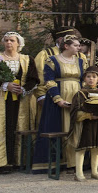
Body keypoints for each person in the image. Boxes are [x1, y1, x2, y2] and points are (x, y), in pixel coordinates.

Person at [32, 35, 86, 173]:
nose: (78, 47)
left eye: (79, 45)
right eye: (75, 45)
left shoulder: (80, 61)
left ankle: (74, 163)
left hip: (76, 96)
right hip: (59, 97)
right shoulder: (52, 60)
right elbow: (49, 81)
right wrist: (58, 99)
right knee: (59, 126)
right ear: (66, 46)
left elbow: (83, 80)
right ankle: (59, 162)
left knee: (76, 128)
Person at [0, 32, 39, 172]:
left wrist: (24, 89)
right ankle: (0, 162)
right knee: (0, 127)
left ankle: (19, 160)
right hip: (1, 98)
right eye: (6, 40)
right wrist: (5, 85)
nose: (9, 43)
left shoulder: (27, 59)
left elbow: (34, 79)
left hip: (21, 100)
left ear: (18, 43)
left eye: (12, 40)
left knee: (19, 126)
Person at [67, 67, 98, 181]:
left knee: (96, 147)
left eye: (94, 77)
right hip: (85, 125)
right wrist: (88, 116)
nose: (91, 79)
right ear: (84, 78)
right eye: (88, 76)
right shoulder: (80, 94)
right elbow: (75, 111)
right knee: (82, 147)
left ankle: (95, 171)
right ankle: (79, 173)